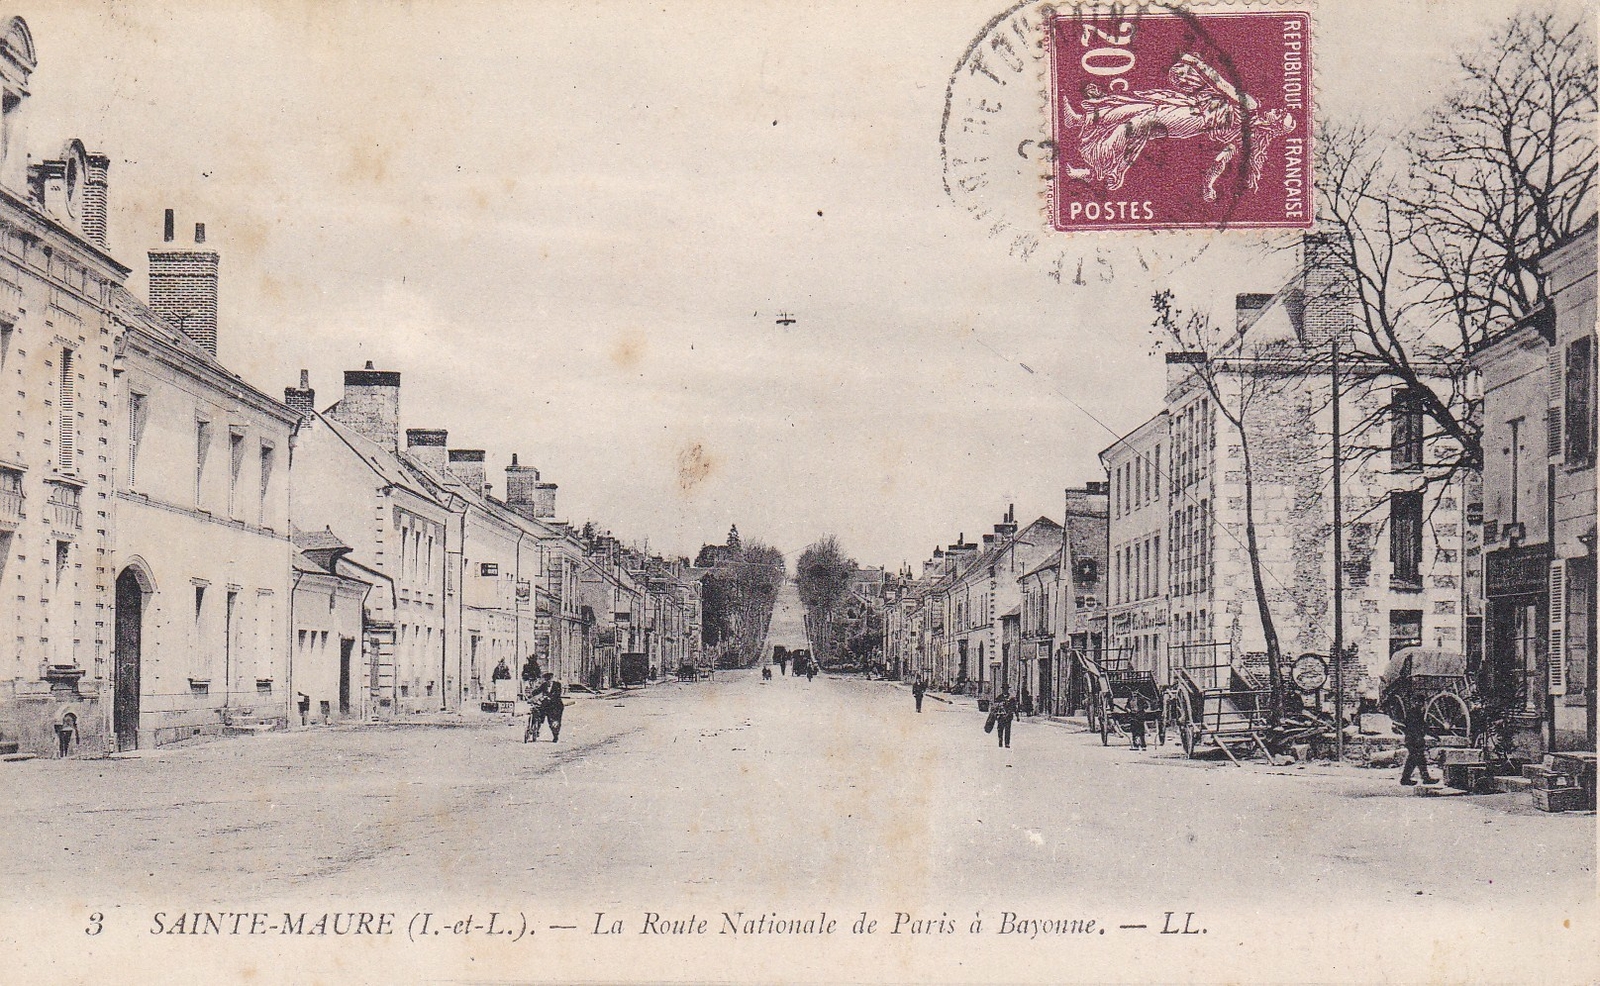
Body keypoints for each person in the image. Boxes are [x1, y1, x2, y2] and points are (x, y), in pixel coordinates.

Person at [1398, 690, 1436, 786]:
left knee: (1416, 760)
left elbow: (1424, 726)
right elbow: (1412, 727)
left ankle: (1409, 779)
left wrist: (1434, 735)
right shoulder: (1412, 713)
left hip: (1415, 740)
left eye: (1420, 702)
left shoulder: (1418, 713)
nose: (1418, 704)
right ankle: (1422, 778)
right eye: (1416, 702)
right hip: (1414, 740)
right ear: (1413, 703)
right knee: (1417, 759)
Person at [525, 671, 557, 742]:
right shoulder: (544, 685)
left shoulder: (556, 686)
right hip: (544, 705)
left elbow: (557, 695)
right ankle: (536, 731)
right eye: (547, 680)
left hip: (552, 706)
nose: (548, 682)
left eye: (550, 680)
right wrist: (530, 695)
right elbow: (537, 691)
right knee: (538, 717)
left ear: (552, 680)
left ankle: (555, 736)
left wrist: (550, 698)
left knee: (551, 722)